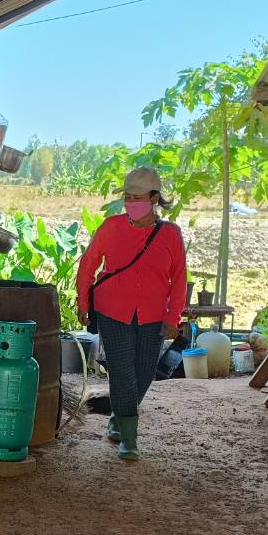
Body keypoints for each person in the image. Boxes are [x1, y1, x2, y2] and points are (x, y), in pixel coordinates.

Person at [75, 166, 187, 460]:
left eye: (137, 197)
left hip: (153, 316)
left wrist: (173, 318)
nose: (131, 203)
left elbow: (179, 279)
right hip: (113, 312)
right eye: (127, 197)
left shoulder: (171, 235)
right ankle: (129, 438)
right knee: (123, 372)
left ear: (154, 198)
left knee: (145, 372)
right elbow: (88, 266)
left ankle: (118, 418)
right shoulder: (111, 228)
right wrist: (83, 304)